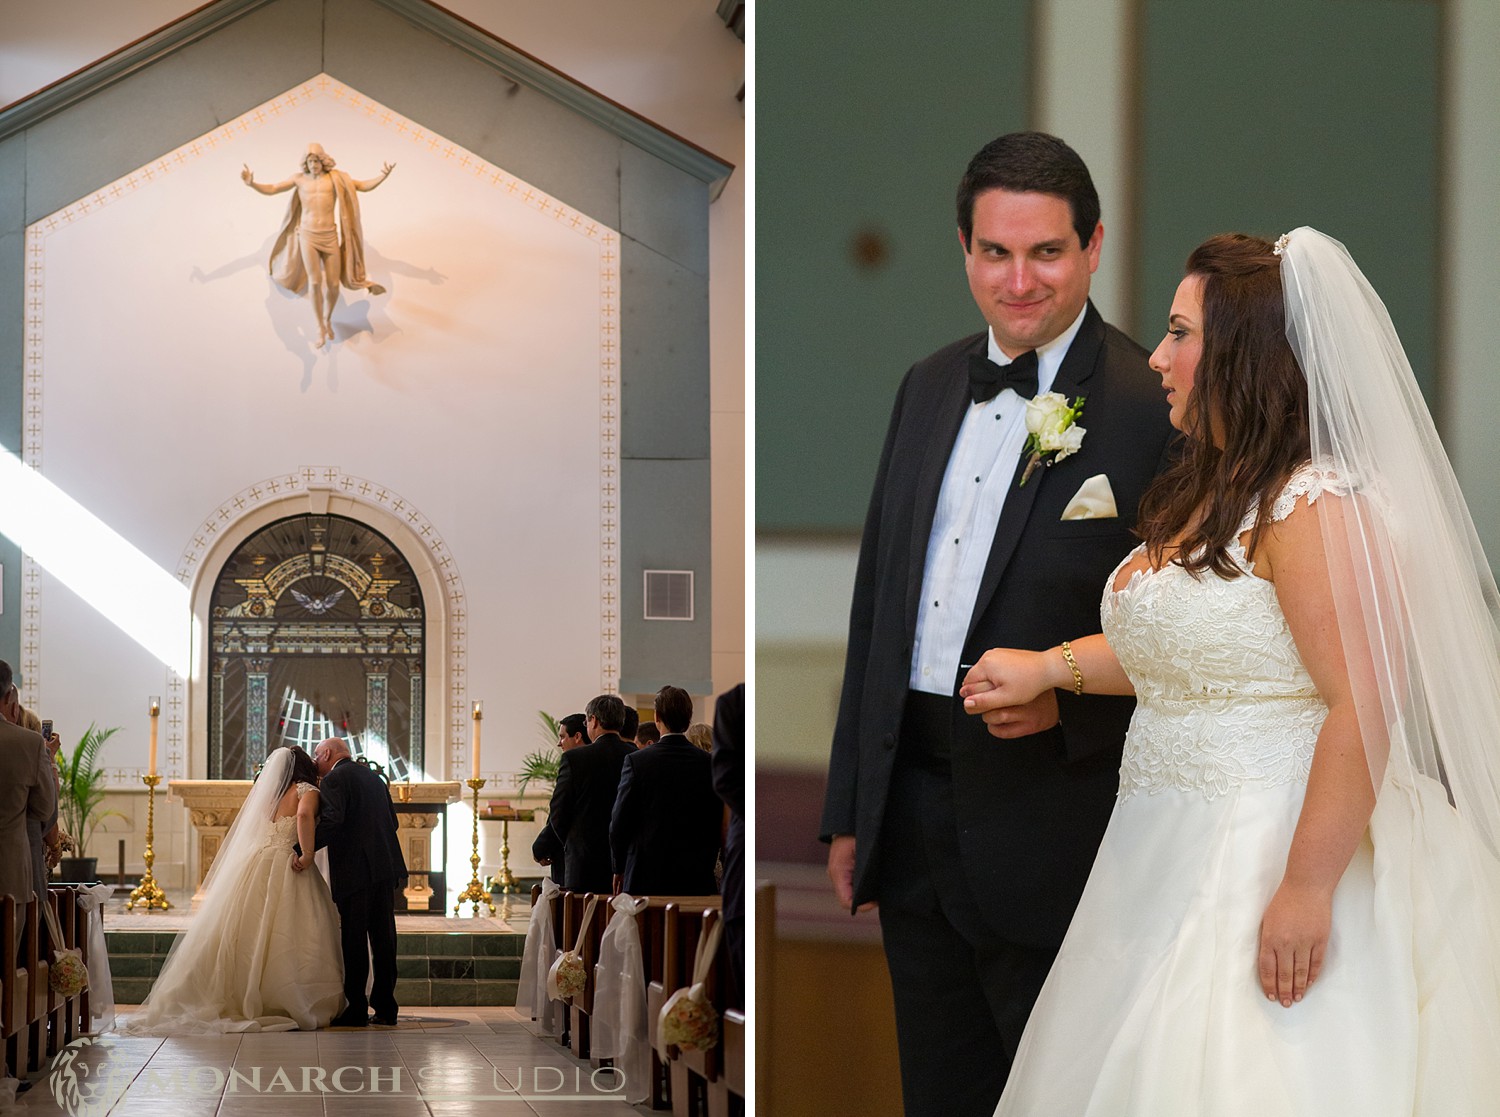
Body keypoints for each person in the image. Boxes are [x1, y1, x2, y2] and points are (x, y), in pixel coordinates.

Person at [964, 228, 1500, 1113]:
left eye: (1180, 333)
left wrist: (1306, 886)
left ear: (1245, 355)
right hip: (1155, 851)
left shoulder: (1315, 504)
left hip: (1270, 843)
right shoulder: (1216, 488)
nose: (1161, 356)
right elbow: (1198, 661)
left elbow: (1363, 699)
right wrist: (1052, 669)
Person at [818, 132, 1176, 1115]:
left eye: (1047, 252)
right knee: (937, 1091)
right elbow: (879, 602)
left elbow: (1194, 634)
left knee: (1065, 1095)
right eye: (994, 252)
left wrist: (1070, 705)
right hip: (913, 820)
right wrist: (853, 804)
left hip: (1057, 819)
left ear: (1094, 246)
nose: (1019, 281)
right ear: (965, 252)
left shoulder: (1153, 406)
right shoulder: (926, 385)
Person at [122, 746, 343, 1033]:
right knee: (290, 930)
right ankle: (287, 997)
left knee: (249, 929)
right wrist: (308, 854)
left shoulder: (271, 795)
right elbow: (302, 817)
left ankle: (245, 993)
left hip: (258, 861)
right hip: (288, 863)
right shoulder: (306, 790)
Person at [241, 143, 394, 347]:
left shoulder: (336, 179)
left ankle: (327, 319)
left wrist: (382, 176)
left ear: (323, 161)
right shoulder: (299, 179)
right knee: (314, 282)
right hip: (307, 235)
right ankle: (319, 328)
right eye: (310, 161)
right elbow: (274, 188)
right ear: (305, 162)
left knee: (332, 284)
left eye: (316, 160)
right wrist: (253, 184)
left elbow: (362, 186)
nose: (313, 164)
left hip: (329, 235)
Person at [306, 737, 407, 1028]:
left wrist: (305, 848)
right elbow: (393, 821)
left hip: (356, 871)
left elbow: (334, 821)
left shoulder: (335, 779)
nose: (315, 762)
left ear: (327, 753)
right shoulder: (374, 776)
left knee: (354, 938)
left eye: (316, 755)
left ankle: (357, 1008)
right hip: (384, 867)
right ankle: (387, 1008)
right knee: (384, 938)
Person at [609, 686, 722, 896]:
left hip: (646, 875)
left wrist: (619, 867)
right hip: (695, 876)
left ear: (657, 717)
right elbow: (715, 819)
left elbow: (620, 820)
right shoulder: (708, 764)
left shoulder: (637, 761)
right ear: (689, 718)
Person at [547, 695, 635, 893]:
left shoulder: (574, 759)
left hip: (583, 864)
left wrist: (573, 844)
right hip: (625, 865)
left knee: (581, 921)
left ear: (594, 721)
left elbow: (558, 812)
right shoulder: (636, 756)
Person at [533, 712, 589, 884]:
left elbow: (560, 812)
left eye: (563, 737)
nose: (559, 743)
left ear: (578, 736)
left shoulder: (572, 761)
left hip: (575, 857)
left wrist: (541, 848)